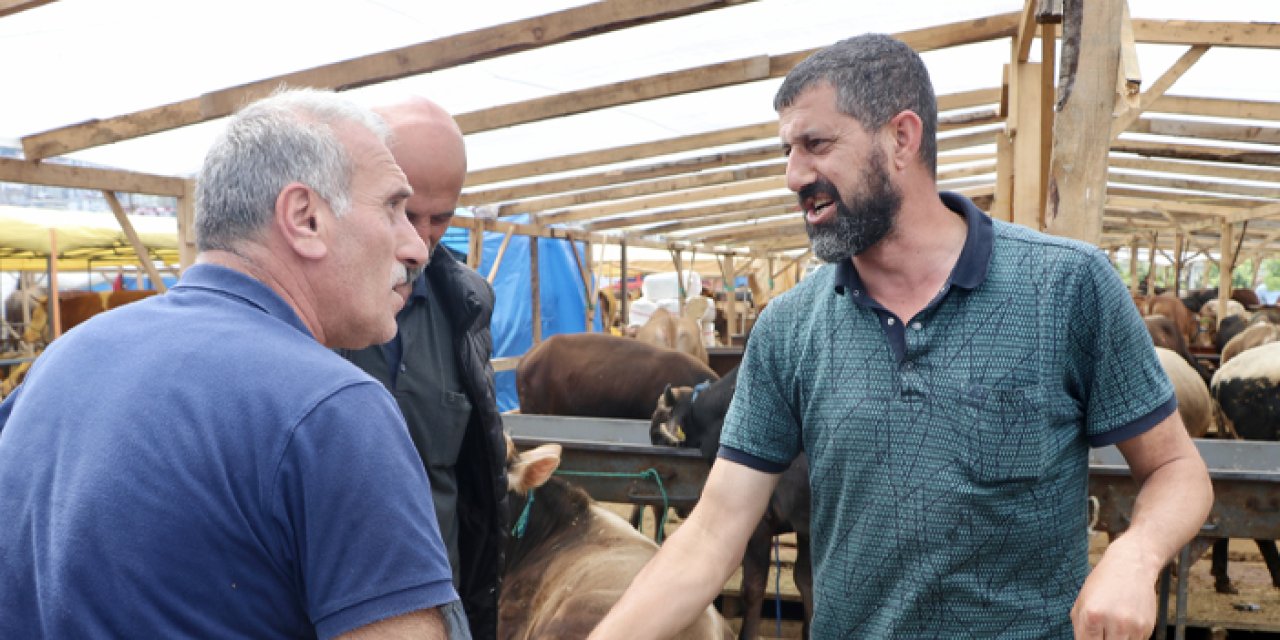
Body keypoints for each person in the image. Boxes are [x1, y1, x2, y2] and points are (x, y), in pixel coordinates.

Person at [591, 34, 1213, 640]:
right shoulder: (788, 328)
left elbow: (1178, 470)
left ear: (901, 138)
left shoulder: (1067, 287)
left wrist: (1135, 555)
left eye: (815, 144)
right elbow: (709, 536)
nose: (792, 175)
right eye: (787, 150)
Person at [0, 88, 469, 639]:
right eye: (393, 208)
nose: (416, 246)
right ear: (305, 218)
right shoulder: (333, 410)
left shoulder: (62, 360)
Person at [339, 96, 507, 640]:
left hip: (437, 603)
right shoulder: (308, 309)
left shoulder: (466, 306)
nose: (424, 236)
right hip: (331, 607)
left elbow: (472, 479)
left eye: (443, 217)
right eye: (405, 213)